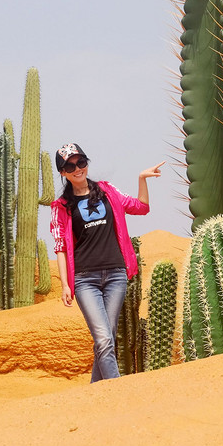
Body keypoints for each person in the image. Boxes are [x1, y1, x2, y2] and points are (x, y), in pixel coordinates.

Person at [49, 142, 164, 382]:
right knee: (103, 338)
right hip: (84, 279)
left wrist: (142, 178)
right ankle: (116, 389)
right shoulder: (61, 207)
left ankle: (97, 390)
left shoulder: (108, 191)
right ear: (62, 172)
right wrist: (65, 285)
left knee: (107, 336)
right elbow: (60, 247)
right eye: (70, 166)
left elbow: (141, 207)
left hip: (115, 274)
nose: (77, 168)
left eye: (81, 162)